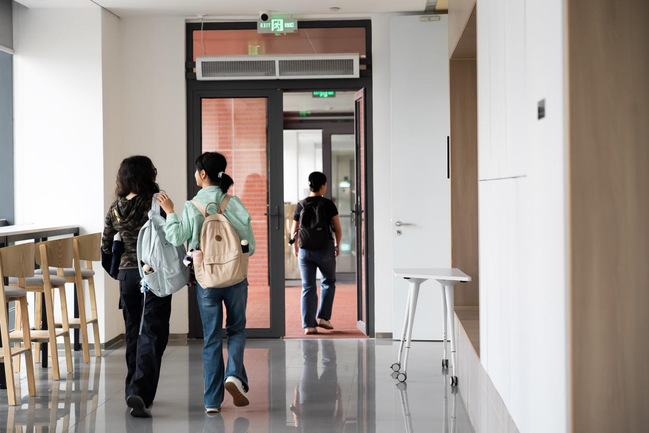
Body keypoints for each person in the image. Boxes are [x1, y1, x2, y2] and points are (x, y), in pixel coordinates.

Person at [156, 152, 255, 414]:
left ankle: (212, 401)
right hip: (236, 278)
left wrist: (170, 211)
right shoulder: (234, 202)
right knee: (236, 330)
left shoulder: (192, 206)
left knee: (211, 338)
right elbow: (251, 247)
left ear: (202, 174)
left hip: (207, 280)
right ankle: (234, 375)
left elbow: (176, 238)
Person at [101, 155, 171, 418]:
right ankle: (140, 391)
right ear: (148, 175)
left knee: (133, 333)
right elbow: (171, 235)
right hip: (152, 274)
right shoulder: (156, 202)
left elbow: (106, 246)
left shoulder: (115, 208)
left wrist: (118, 269)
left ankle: (132, 389)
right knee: (153, 332)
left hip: (127, 277)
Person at [290, 171, 343, 335]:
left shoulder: (301, 204)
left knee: (308, 287)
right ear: (323, 186)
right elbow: (338, 229)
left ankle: (309, 325)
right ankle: (324, 318)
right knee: (328, 282)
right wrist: (337, 246)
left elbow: (294, 230)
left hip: (305, 250)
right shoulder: (328, 204)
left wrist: (295, 248)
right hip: (325, 249)